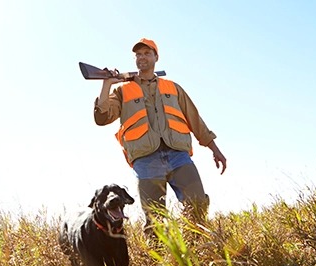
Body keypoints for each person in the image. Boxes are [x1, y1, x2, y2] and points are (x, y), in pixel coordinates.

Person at [93, 38, 227, 234]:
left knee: (197, 204)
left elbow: (195, 119)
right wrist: (106, 85)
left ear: (156, 57)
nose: (142, 57)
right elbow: (102, 117)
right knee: (155, 220)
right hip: (146, 159)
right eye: (138, 54)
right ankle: (158, 262)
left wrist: (215, 149)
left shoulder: (173, 88)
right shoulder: (122, 91)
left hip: (178, 155)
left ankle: (195, 252)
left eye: (147, 53)